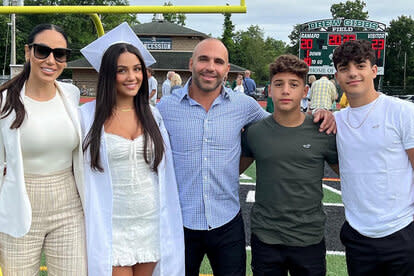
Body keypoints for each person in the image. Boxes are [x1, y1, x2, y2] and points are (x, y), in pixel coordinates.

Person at [156, 38, 336, 276]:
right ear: (191, 63)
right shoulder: (164, 108)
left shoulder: (245, 105)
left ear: (227, 69)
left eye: (218, 61)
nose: (211, 67)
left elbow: (281, 124)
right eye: (203, 59)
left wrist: (320, 113)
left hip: (226, 222)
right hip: (179, 221)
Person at [80, 23, 184, 276]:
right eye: (122, 70)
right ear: (107, 75)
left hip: (150, 221)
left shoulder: (153, 116)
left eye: (137, 69)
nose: (132, 77)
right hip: (111, 224)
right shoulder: (85, 117)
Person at [240, 54, 338, 276]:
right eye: (279, 84)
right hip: (266, 237)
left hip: (308, 238)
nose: (285, 90)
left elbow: (350, 174)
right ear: (269, 90)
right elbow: (232, 170)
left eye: (293, 85)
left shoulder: (323, 131)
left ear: (305, 92)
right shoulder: (255, 132)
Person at [0, 24, 86, 275]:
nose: (51, 60)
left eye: (59, 54)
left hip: (69, 203)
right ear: (27, 52)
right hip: (20, 201)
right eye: (42, 51)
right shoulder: (4, 102)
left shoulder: (70, 94)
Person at [333, 39, 414, 276]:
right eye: (344, 68)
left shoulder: (402, 112)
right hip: (358, 236)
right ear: (337, 75)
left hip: (402, 231)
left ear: (374, 70)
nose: (353, 73)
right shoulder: (335, 121)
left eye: (360, 65)